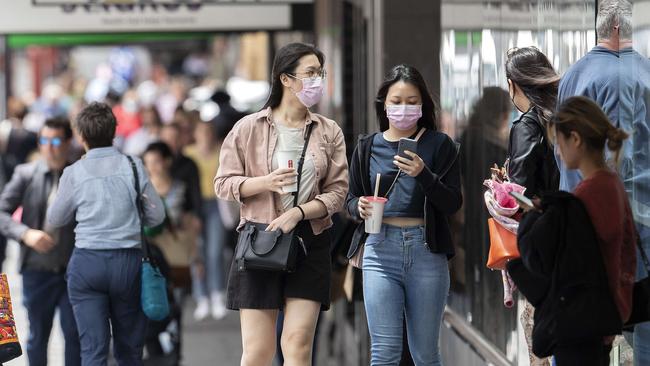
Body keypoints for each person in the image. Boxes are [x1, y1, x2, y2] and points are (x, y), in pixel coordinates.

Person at [214, 42, 348, 366]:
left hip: (310, 240)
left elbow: (338, 191)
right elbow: (222, 183)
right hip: (261, 240)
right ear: (285, 78)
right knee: (258, 352)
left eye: (320, 73)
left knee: (298, 344)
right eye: (310, 73)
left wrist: (299, 213)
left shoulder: (328, 131)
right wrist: (264, 183)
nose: (317, 80)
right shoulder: (248, 128)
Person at [346, 64, 462, 365]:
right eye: (396, 101)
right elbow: (349, 197)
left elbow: (452, 203)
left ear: (423, 105)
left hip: (426, 250)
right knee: (384, 353)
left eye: (412, 101)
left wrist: (424, 174)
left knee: (425, 353)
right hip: (380, 249)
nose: (404, 108)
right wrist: (357, 206)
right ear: (384, 103)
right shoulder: (366, 146)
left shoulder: (440, 145)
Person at [555, 1, 650, 361]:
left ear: (605, 28)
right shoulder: (631, 74)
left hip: (580, 225)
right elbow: (617, 165)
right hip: (625, 230)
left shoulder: (574, 74)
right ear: (620, 29)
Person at [509, 96, 636, 365]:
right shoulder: (611, 183)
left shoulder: (587, 195)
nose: (558, 151)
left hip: (581, 322)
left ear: (575, 139)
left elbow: (544, 257)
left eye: (559, 142)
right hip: (603, 313)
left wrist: (535, 218)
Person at [47, 102, 166, 365]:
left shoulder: (74, 172)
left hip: (87, 264)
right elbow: (157, 215)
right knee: (129, 351)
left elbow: (56, 218)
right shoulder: (133, 166)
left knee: (93, 351)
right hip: (128, 265)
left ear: (81, 135)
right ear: (114, 132)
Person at [0, 117, 81, 366]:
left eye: (56, 140)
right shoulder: (26, 173)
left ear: (68, 142)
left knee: (74, 336)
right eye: (44, 140)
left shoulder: (78, 176)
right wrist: (25, 233)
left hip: (72, 271)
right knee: (37, 337)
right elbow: (2, 212)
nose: (50, 146)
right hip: (37, 271)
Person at [504, 46, 560, 366]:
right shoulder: (566, 117)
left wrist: (501, 190)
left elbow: (519, 193)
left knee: (539, 338)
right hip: (569, 237)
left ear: (513, 84)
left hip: (538, 244)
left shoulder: (527, 125)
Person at [184, 121, 228, 320]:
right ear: (195, 134)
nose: (205, 136)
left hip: (217, 204)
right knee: (196, 253)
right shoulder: (189, 153)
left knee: (214, 252)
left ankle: (217, 293)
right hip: (195, 206)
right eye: (201, 132)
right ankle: (201, 296)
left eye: (208, 132)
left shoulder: (222, 151)